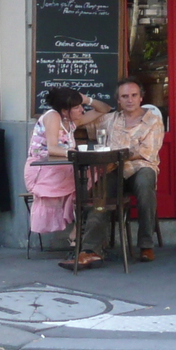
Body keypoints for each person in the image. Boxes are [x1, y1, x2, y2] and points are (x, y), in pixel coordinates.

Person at [73, 78, 165, 264]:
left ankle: (146, 245)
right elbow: (80, 121)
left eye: (133, 95)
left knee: (145, 183)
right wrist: (84, 101)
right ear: (118, 101)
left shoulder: (153, 121)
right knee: (100, 196)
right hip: (114, 169)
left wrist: (115, 155)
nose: (130, 100)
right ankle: (90, 249)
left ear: (141, 98)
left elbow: (146, 152)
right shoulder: (109, 119)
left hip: (140, 167)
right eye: (125, 96)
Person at [24, 87, 108, 265]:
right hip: (42, 169)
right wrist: (76, 153)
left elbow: (104, 109)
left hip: (62, 167)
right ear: (64, 110)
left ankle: (77, 233)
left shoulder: (70, 122)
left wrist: (86, 99)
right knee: (89, 179)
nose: (82, 110)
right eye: (77, 107)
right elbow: (53, 148)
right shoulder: (53, 116)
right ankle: (77, 236)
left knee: (93, 178)